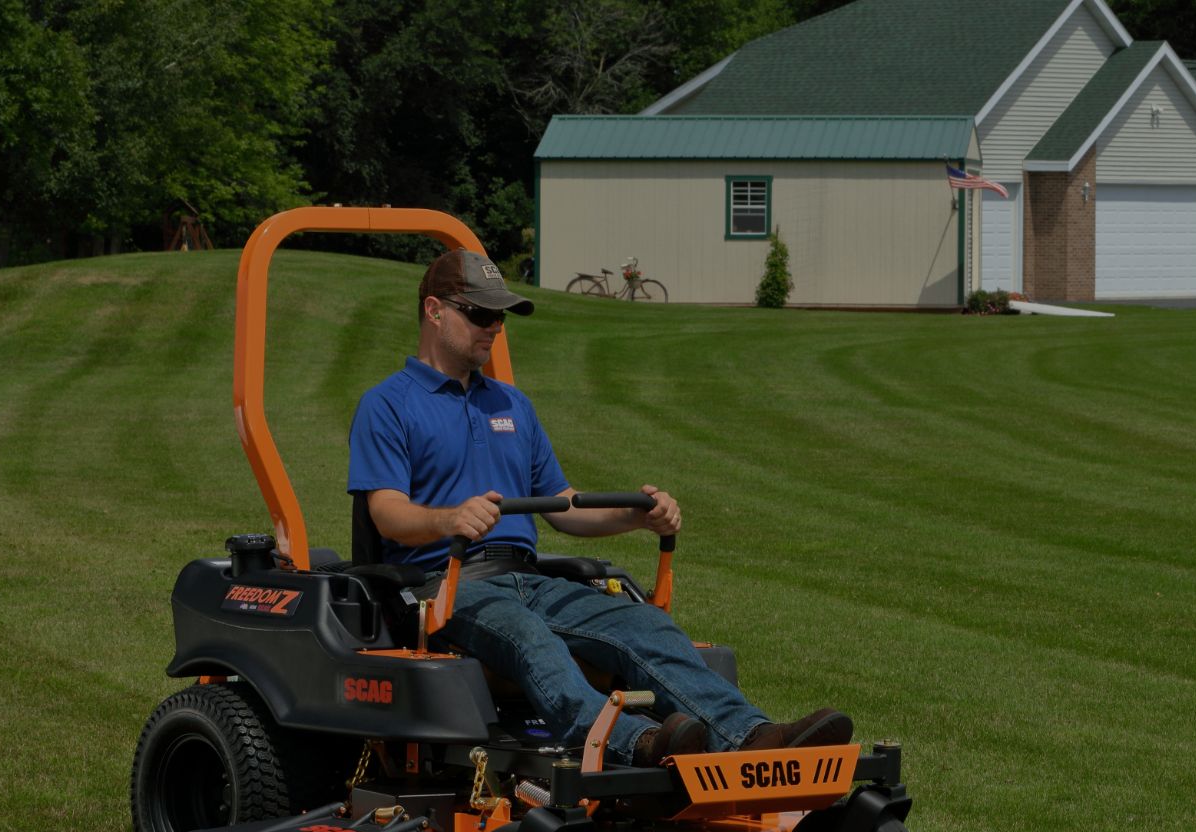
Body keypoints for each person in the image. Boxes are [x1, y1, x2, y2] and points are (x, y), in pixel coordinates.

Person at [348, 248, 852, 766]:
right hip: (447, 588)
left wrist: (637, 515)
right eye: (480, 313)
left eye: (499, 316)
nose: (494, 327)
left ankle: (751, 738)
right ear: (434, 311)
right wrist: (450, 519)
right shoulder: (388, 405)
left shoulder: (512, 405)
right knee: (531, 639)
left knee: (643, 626)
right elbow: (387, 513)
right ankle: (635, 743)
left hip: (527, 579)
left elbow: (562, 505)